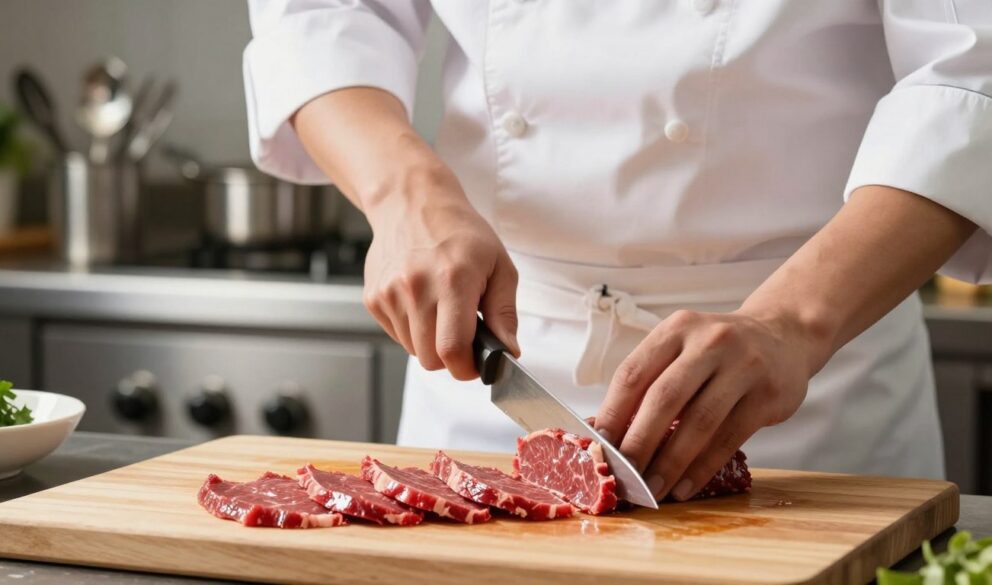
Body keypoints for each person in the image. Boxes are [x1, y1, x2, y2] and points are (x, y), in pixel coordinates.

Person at [244, 1, 991, 502]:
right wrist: (403, 192)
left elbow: (969, 71)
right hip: (491, 366)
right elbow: (322, 12)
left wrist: (791, 324)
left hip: (813, 388)